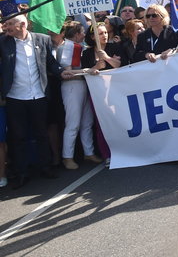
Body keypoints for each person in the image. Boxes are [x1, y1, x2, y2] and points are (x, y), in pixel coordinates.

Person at [1, 15, 75, 189]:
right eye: (6, 24)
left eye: (11, 24)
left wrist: (61, 72)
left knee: (41, 133)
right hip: (15, 97)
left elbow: (51, 63)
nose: (7, 26)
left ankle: (45, 167)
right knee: (18, 137)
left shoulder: (42, 40)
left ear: (22, 25)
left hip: (38, 95)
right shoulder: (3, 42)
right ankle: (21, 172)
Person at [55, 22, 100, 170]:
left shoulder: (76, 46)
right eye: (82, 32)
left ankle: (89, 152)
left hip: (82, 84)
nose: (84, 34)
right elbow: (67, 72)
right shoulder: (70, 46)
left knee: (87, 121)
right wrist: (87, 70)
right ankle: (67, 157)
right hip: (73, 86)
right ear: (76, 34)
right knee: (73, 123)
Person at [79, 23, 121, 166]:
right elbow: (85, 71)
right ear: (93, 37)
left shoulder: (114, 47)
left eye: (105, 32)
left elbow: (119, 65)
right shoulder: (87, 53)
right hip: (97, 93)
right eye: (100, 33)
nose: (104, 35)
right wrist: (95, 67)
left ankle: (122, 150)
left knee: (118, 120)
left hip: (114, 90)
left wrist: (107, 58)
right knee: (101, 123)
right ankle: (107, 154)